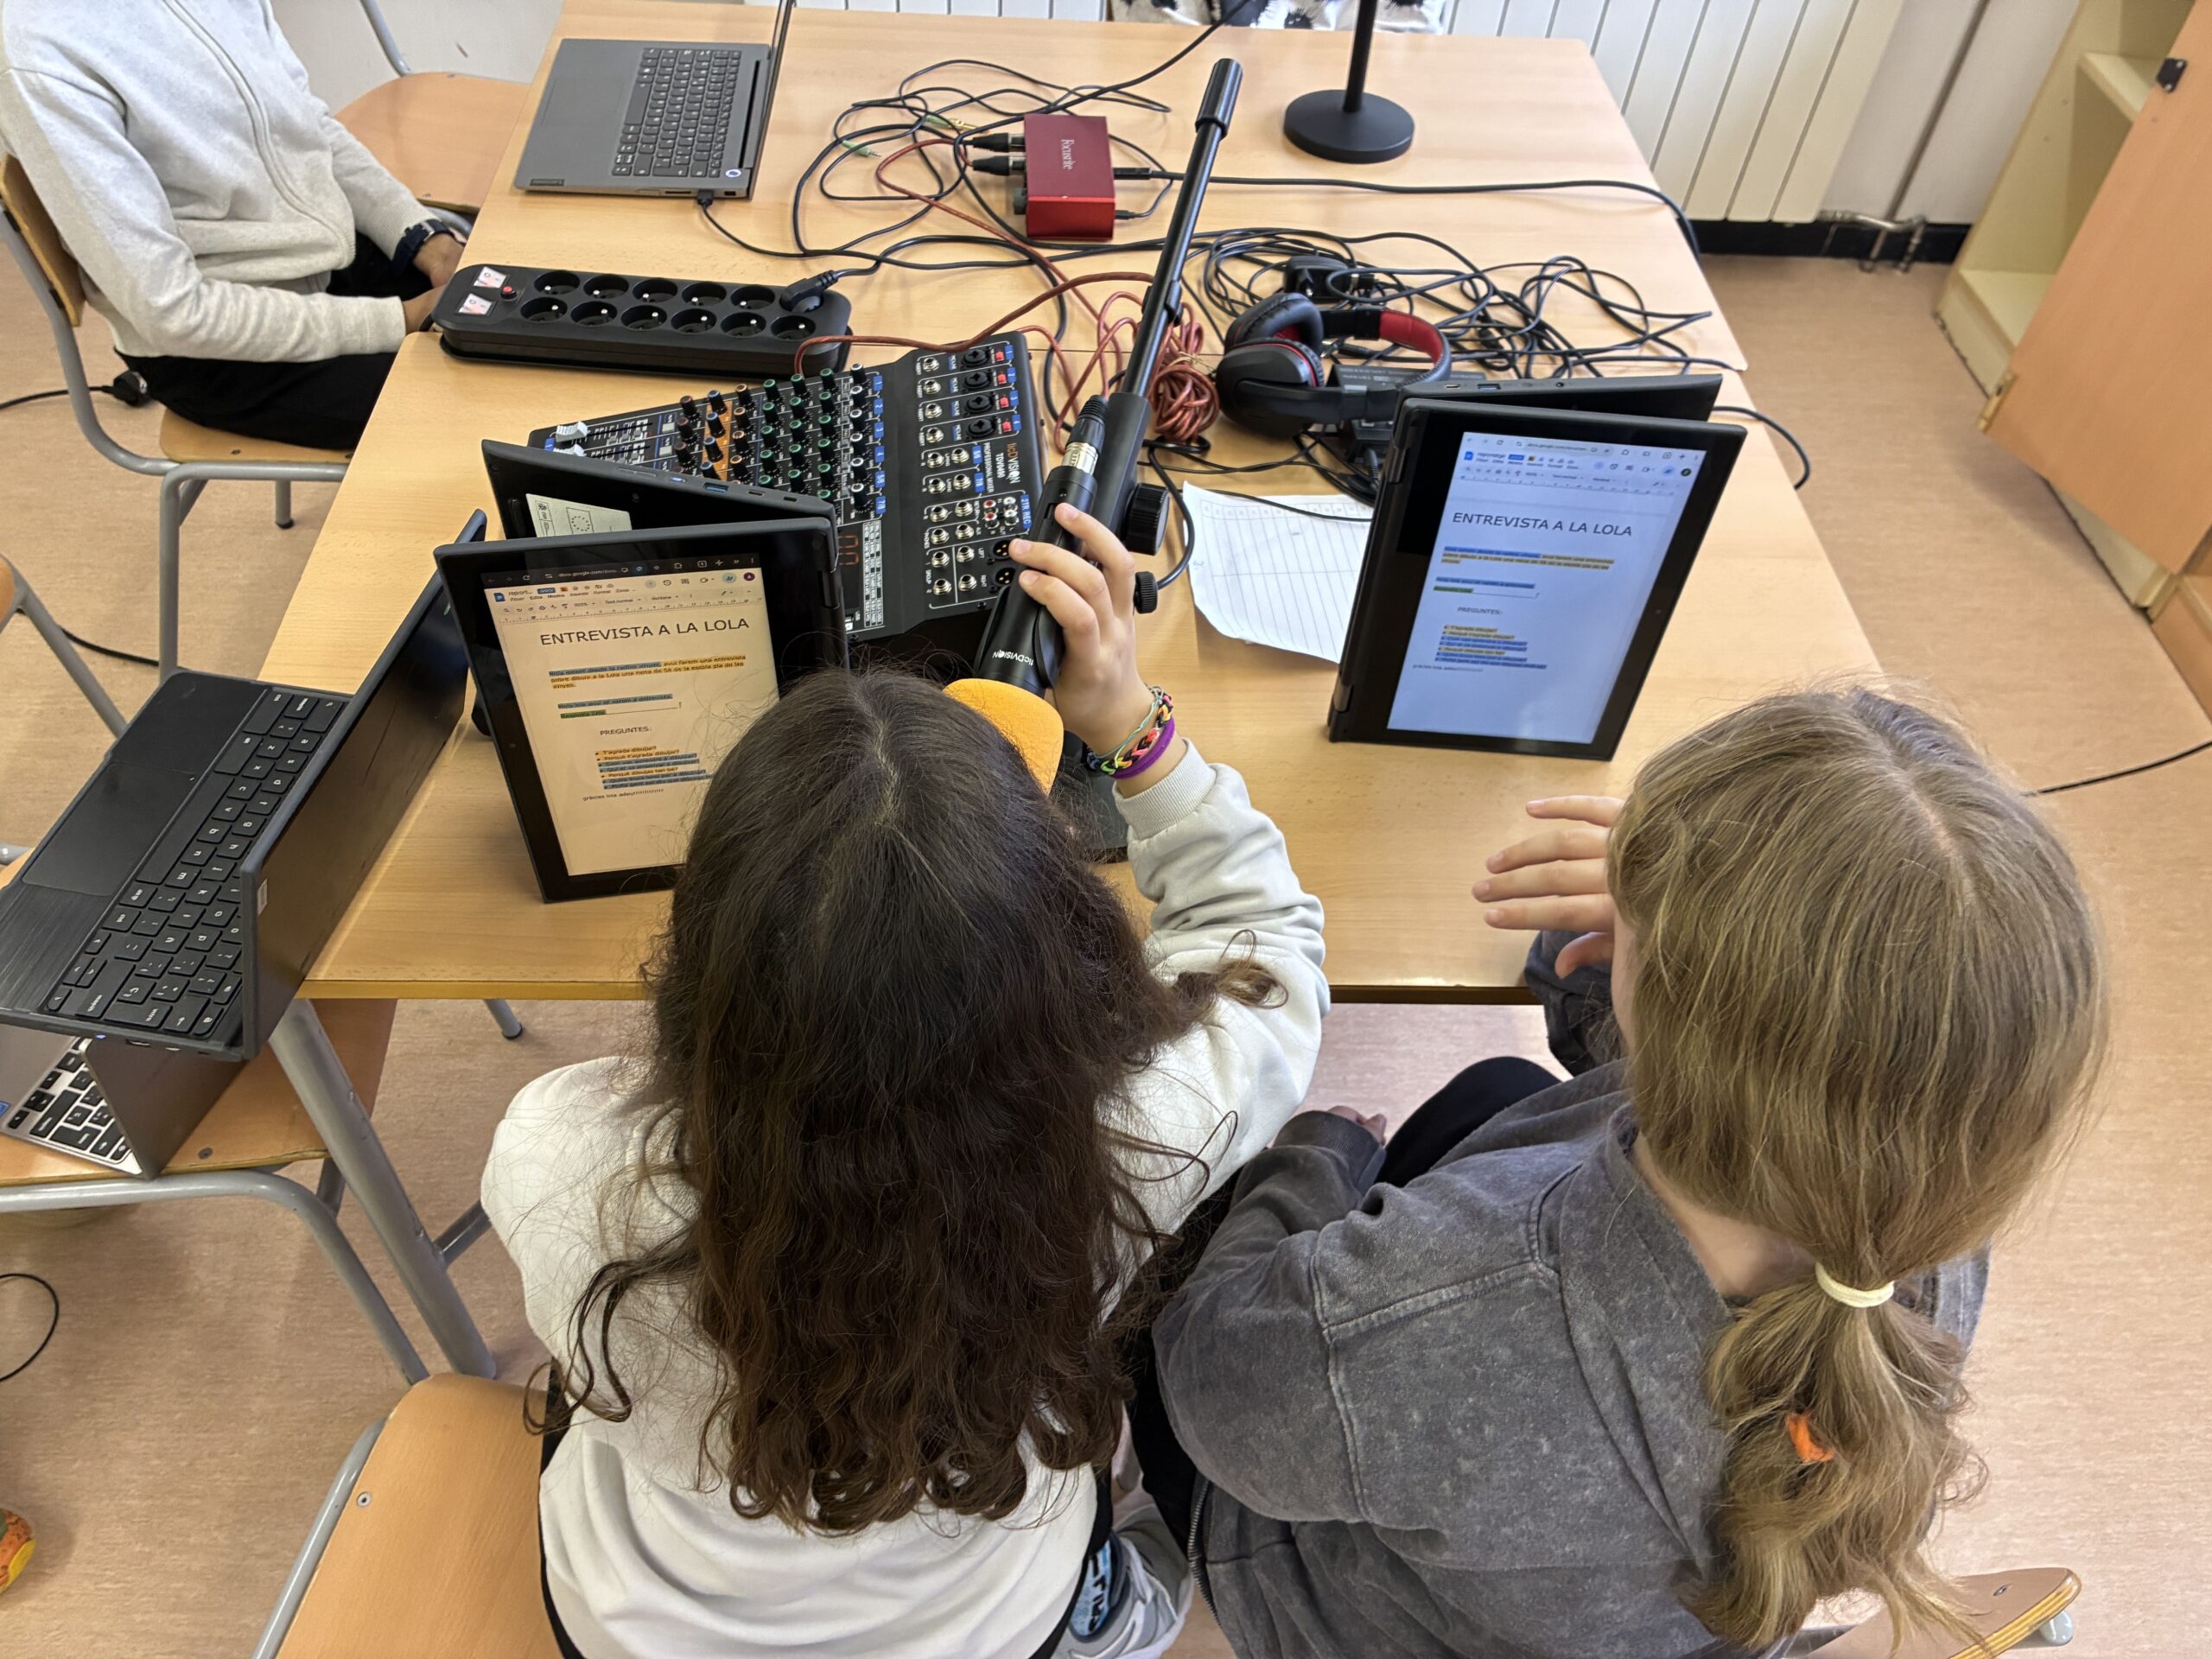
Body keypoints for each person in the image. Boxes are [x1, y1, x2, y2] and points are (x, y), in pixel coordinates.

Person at [481, 508, 1331, 1659]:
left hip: (635, 1623)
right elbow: (1267, 946)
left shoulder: (554, 1159)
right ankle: (1101, 1611)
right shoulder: (1139, 1145)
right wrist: (1133, 723)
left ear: (707, 950)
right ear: (1057, 945)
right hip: (980, 1628)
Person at [1146, 688, 2107, 1659]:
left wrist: (1317, 1155)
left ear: (1670, 1001)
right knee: (1502, 1088)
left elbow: (1209, 1388)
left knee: (1159, 1258)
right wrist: (1645, 955)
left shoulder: (1437, 1313)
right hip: (1592, 1607)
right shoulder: (1926, 1210)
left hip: (1316, 1588)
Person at [0, 0, 466, 450]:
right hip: (219, 349)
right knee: (474, 407)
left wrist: (422, 238)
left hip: (321, 255)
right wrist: (399, 319)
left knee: (505, 315)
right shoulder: (40, 52)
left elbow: (308, 128)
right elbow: (171, 312)